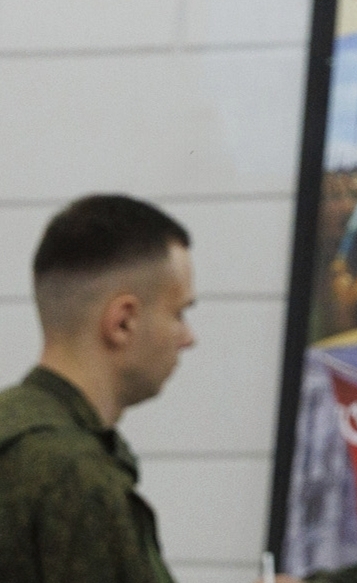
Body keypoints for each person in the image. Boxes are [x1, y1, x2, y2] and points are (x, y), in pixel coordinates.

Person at [0, 196, 197, 583]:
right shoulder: (77, 479)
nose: (188, 337)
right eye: (179, 313)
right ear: (122, 322)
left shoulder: (14, 427)